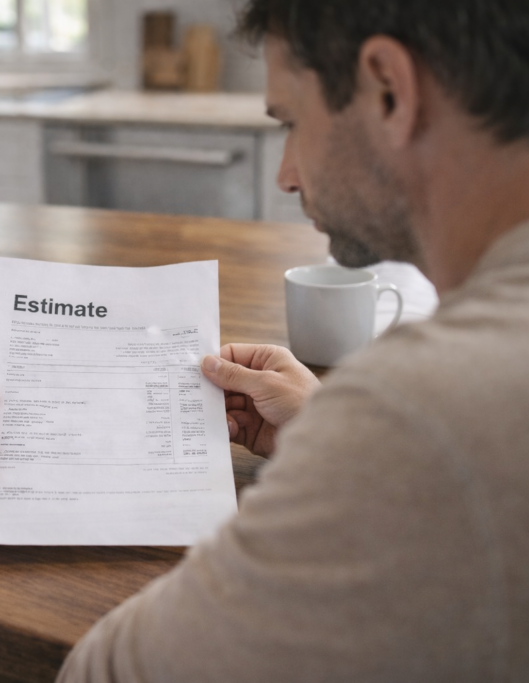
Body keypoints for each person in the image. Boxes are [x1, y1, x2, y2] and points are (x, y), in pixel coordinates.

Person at [58, 0, 529, 680]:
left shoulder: (421, 409)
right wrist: (328, 436)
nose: (286, 175)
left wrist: (359, 445)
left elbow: (108, 673)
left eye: (292, 123)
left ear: (388, 91)